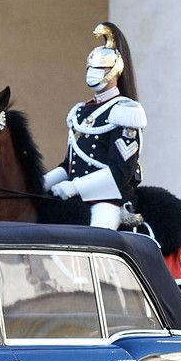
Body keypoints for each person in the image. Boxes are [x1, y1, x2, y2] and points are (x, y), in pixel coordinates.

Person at [45, 22, 145, 231]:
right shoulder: (80, 112)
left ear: (115, 70)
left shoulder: (125, 112)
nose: (93, 73)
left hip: (107, 199)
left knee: (99, 237)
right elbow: (69, 165)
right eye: (90, 68)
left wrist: (75, 186)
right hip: (75, 194)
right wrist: (42, 182)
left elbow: (120, 172)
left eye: (100, 69)